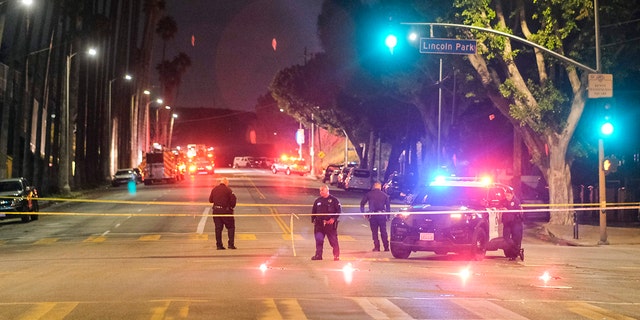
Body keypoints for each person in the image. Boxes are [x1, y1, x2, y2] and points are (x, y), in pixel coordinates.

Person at [311, 185, 342, 261]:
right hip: (319, 224)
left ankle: (336, 256)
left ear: (327, 191)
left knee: (333, 241)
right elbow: (314, 211)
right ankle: (318, 255)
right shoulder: (318, 201)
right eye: (320, 190)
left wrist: (333, 219)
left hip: (330, 225)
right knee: (319, 240)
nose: (321, 192)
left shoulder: (334, 200)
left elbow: (338, 211)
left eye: (322, 190)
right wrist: (313, 219)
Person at [360, 181, 391, 251]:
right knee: (383, 231)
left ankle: (377, 247)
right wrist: (388, 216)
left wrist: (363, 212)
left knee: (374, 232)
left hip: (373, 215)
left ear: (374, 186)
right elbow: (388, 207)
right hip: (382, 215)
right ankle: (386, 247)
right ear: (380, 187)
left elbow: (362, 203)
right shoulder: (385, 195)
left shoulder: (369, 194)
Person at [209, 177, 237, 250]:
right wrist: (230, 207)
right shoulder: (229, 190)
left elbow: (210, 200)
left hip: (216, 211)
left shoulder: (214, 189)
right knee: (231, 227)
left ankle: (219, 245)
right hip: (226, 212)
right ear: (226, 183)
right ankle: (231, 244)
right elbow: (233, 201)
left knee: (218, 229)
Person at [501, 189, 524, 261]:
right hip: (507, 223)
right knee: (506, 238)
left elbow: (517, 212)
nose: (507, 197)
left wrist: (507, 211)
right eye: (506, 195)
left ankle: (514, 255)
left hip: (515, 223)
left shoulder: (516, 202)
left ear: (512, 195)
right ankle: (518, 250)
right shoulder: (504, 201)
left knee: (516, 238)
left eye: (508, 195)